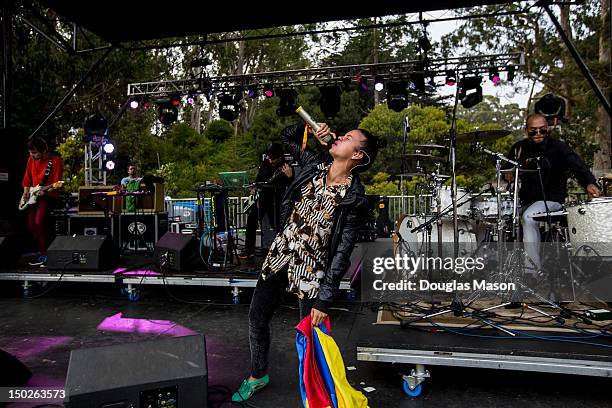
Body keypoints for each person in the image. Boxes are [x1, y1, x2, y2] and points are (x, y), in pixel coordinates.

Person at [232, 122, 380, 402]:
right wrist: (315, 132)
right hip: (281, 254)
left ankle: (312, 393)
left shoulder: (355, 198)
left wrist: (324, 300)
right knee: (256, 317)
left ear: (358, 155)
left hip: (311, 270)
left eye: (348, 138)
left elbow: (342, 252)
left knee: (308, 337)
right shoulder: (314, 165)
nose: (340, 138)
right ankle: (257, 373)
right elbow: (286, 137)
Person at [507, 113, 600, 271]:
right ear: (526, 130)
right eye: (533, 131)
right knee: (507, 220)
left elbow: (577, 166)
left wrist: (589, 183)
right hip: (526, 200)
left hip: (552, 199)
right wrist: (507, 175)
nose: (538, 134)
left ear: (548, 129)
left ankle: (532, 271)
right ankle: (508, 269)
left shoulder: (559, 147)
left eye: (542, 130)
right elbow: (508, 171)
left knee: (529, 218)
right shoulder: (519, 148)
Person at [241, 142, 293, 259]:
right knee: (251, 220)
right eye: (269, 157)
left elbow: (292, 186)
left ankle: (282, 249)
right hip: (264, 197)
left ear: (280, 157)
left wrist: (289, 176)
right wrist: (254, 187)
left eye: (273, 158)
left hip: (277, 199)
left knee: (277, 225)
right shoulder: (265, 163)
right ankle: (249, 250)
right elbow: (259, 179)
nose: (270, 160)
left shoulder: (286, 165)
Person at [21, 137, 63, 267]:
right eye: (30, 152)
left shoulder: (55, 161)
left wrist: (45, 190)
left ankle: (47, 254)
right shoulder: (31, 160)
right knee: (31, 225)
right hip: (34, 196)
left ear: (44, 150)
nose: (32, 155)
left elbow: (57, 183)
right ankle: (42, 252)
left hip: (48, 196)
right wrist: (26, 191)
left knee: (39, 222)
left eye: (34, 152)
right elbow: (27, 178)